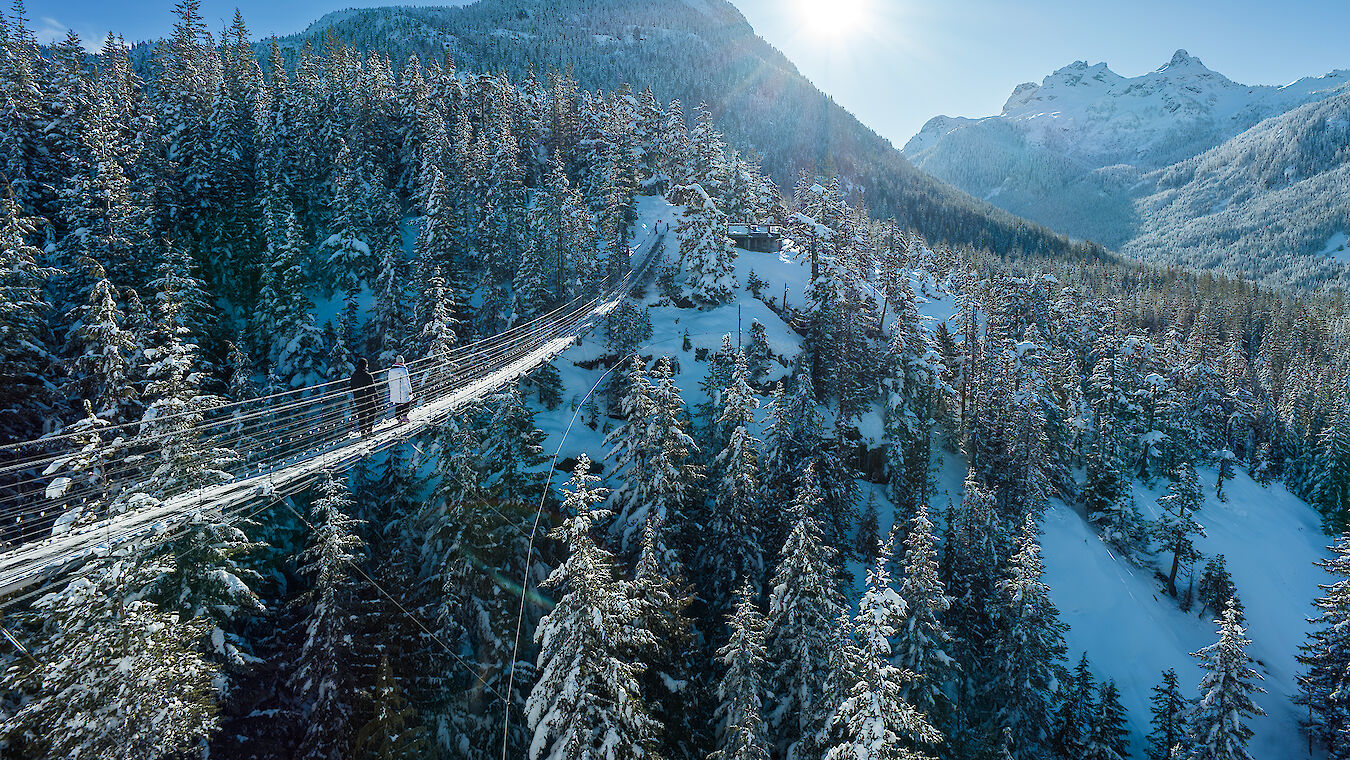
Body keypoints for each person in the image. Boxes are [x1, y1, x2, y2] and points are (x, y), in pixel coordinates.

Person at [350, 358, 378, 436]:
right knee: (373, 411)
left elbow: (352, 387)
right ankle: (369, 430)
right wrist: (376, 397)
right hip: (368, 398)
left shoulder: (354, 375)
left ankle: (363, 433)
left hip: (358, 399)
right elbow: (372, 388)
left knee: (361, 415)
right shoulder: (368, 376)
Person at [388, 355, 413, 423]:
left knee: (398, 404)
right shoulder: (403, 369)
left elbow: (390, 381)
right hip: (403, 390)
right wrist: (410, 390)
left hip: (395, 391)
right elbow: (407, 381)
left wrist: (392, 390)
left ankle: (398, 417)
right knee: (407, 402)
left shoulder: (391, 370)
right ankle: (404, 416)